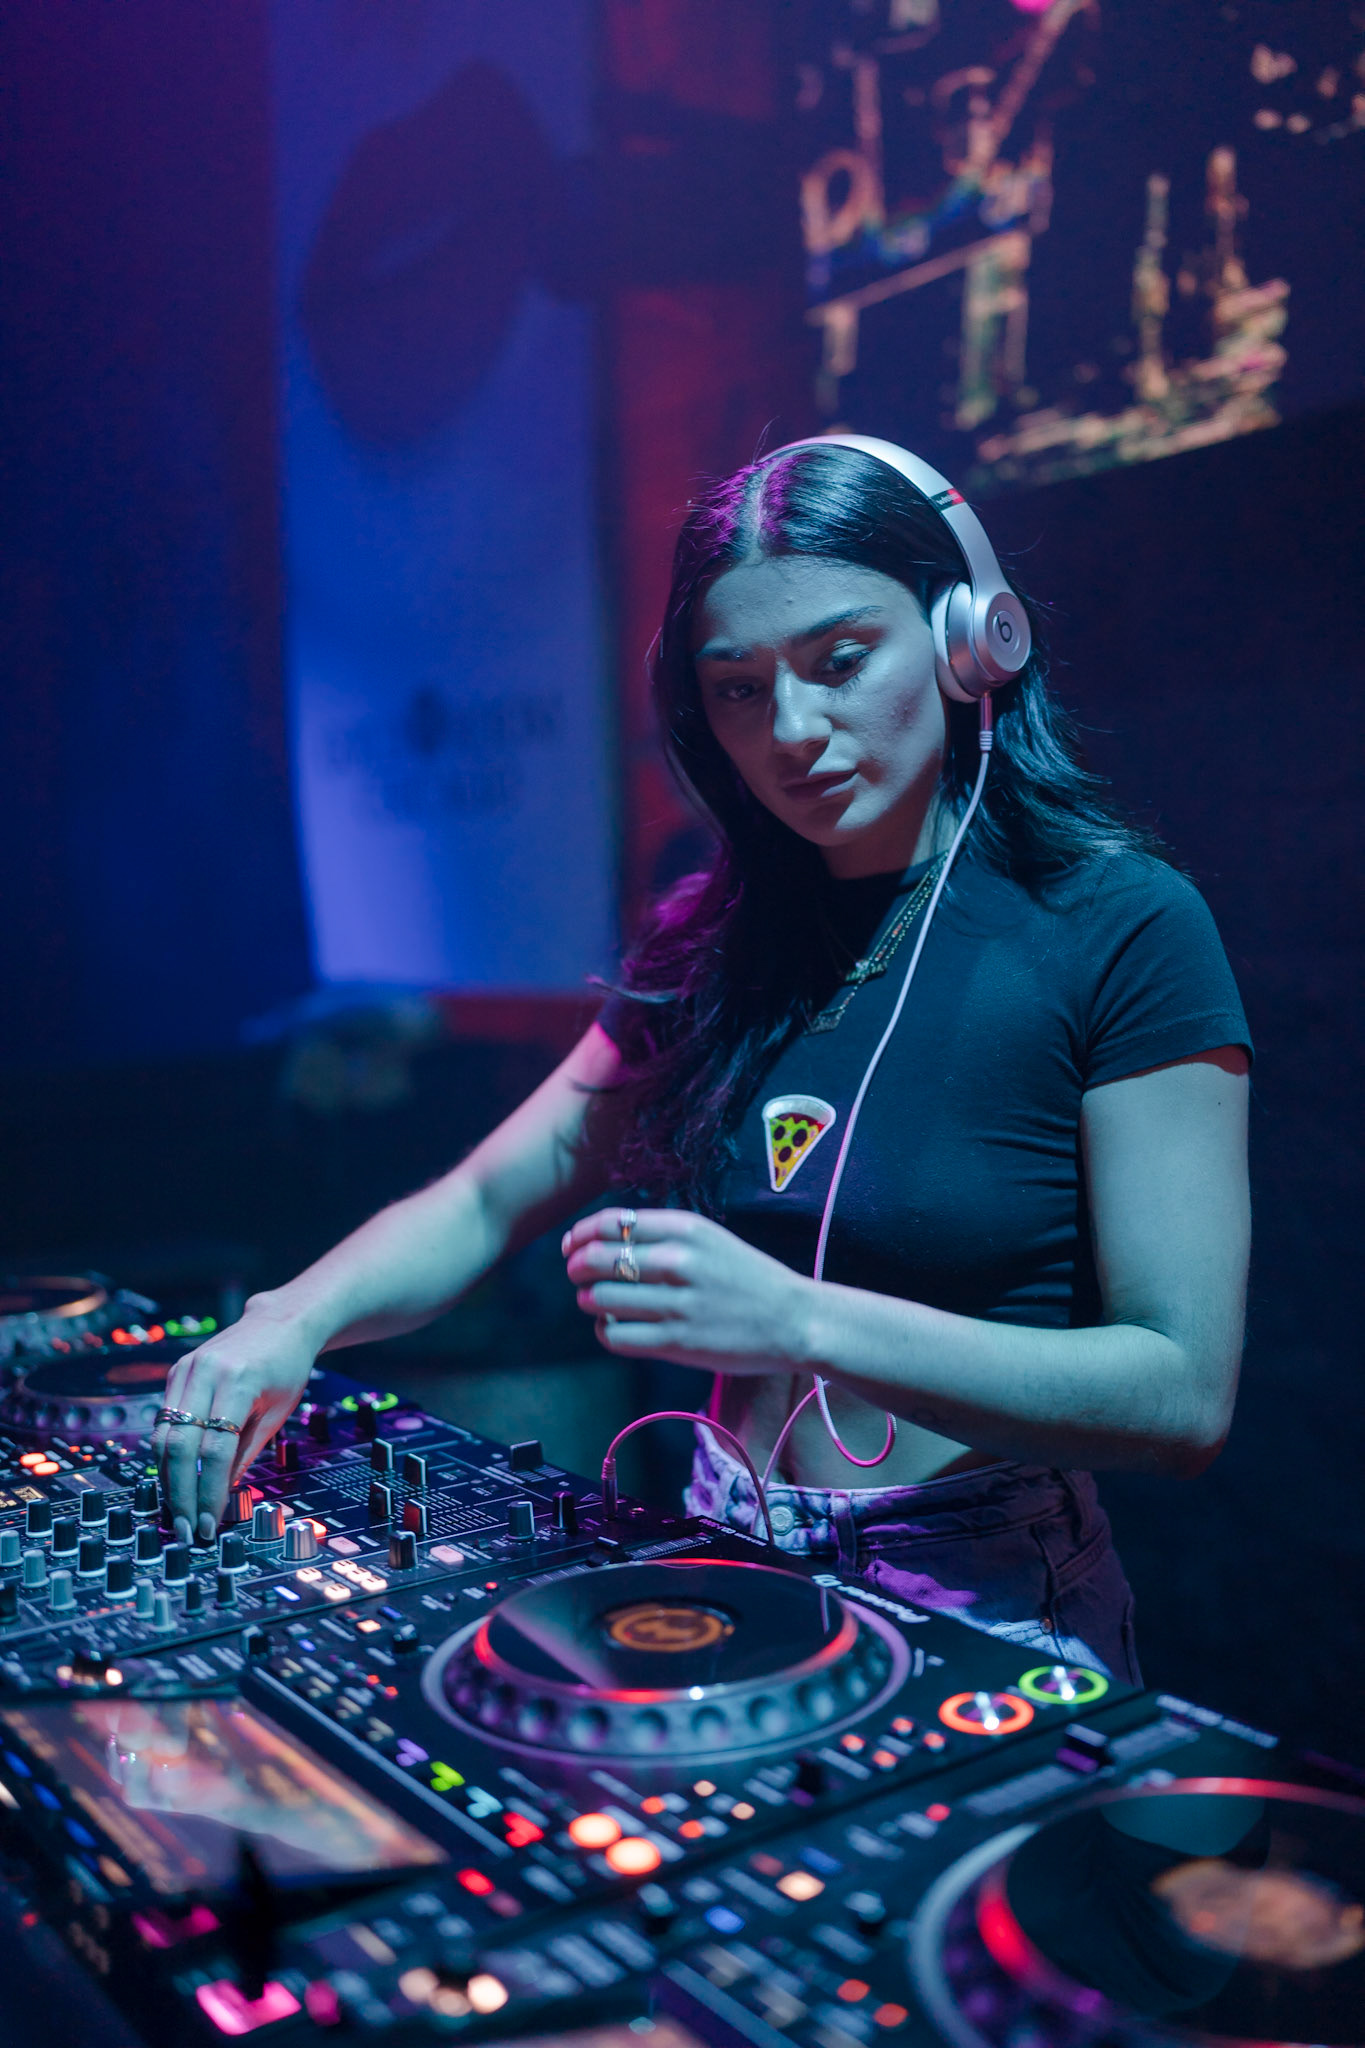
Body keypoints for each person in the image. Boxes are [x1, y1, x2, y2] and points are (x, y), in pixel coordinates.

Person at [154, 440, 1251, 1682]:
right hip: (723, 1549)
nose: (792, 729)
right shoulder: (712, 940)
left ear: (971, 640)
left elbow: (1181, 1394)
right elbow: (487, 1197)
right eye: (738, 687)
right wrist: (290, 1316)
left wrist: (796, 1319)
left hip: (978, 1581)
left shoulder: (1121, 924)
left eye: (841, 660)